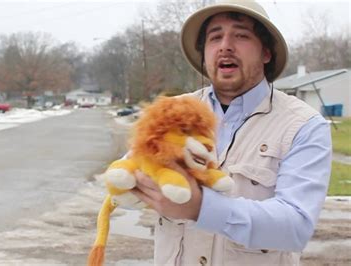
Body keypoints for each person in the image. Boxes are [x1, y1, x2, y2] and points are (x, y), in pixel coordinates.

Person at [130, 0, 332, 265]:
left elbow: (295, 226)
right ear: (204, 54)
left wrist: (201, 207)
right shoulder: (171, 114)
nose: (225, 45)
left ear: (266, 53)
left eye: (241, 35)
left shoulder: (304, 126)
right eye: (215, 37)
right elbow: (127, 187)